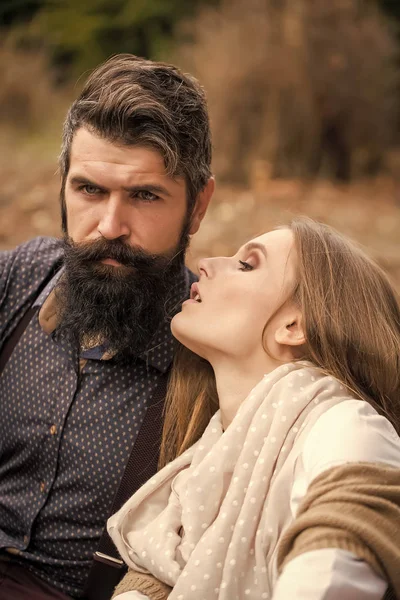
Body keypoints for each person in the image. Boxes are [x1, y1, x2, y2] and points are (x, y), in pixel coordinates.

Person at [0, 54, 214, 600]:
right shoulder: (21, 279)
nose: (110, 227)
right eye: (89, 190)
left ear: (197, 206)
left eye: (145, 196)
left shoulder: (214, 357)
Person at [108, 217, 400, 600]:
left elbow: (337, 559)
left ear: (293, 326)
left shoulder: (345, 427)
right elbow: (157, 577)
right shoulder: (203, 462)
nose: (207, 263)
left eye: (247, 264)